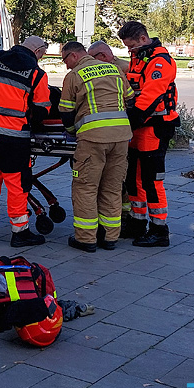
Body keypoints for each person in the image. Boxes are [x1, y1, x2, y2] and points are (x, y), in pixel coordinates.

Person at [0, 35, 52, 248]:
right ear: (38, 51)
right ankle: (19, 232)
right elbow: (42, 109)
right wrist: (30, 120)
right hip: (15, 138)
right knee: (17, 184)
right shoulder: (36, 74)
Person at [58, 41, 133, 252]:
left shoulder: (75, 75)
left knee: (86, 187)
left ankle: (86, 238)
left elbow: (65, 111)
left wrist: (72, 131)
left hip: (92, 139)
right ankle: (110, 237)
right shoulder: (115, 69)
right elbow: (130, 99)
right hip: (121, 137)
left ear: (73, 56)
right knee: (112, 187)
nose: (65, 66)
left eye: (65, 60)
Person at [117, 21, 180, 247]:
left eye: (131, 46)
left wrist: (129, 121)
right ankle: (137, 222)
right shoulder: (140, 57)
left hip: (154, 126)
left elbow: (150, 97)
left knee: (152, 180)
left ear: (143, 39)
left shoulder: (159, 61)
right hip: (139, 128)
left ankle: (159, 229)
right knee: (134, 179)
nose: (129, 51)